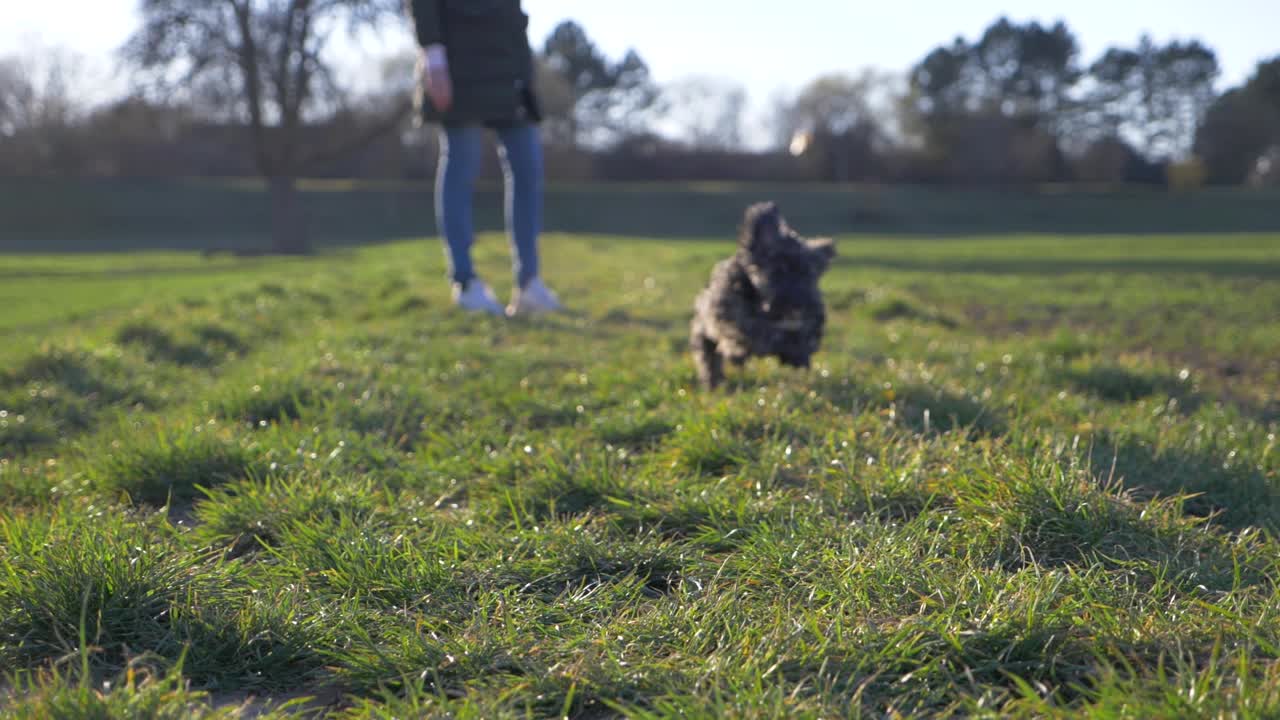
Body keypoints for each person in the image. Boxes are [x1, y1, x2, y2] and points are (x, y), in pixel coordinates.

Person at [407, 0, 562, 316]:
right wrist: (434, 55)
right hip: (459, 62)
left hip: (509, 66)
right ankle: (465, 282)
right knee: (462, 165)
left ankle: (529, 283)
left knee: (528, 169)